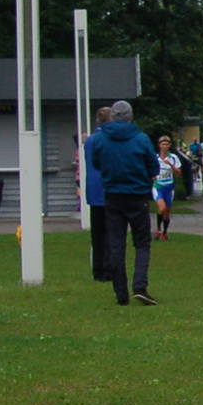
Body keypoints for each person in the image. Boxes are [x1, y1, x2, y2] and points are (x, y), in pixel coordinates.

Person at [87, 100, 160, 306]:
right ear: (130, 116)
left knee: (116, 244)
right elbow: (153, 167)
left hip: (112, 195)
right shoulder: (141, 139)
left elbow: (96, 163)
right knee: (142, 243)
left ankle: (120, 292)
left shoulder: (100, 138)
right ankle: (140, 285)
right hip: (137, 195)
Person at [85, 106, 112, 280]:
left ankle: (97, 269)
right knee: (110, 233)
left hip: (93, 190)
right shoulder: (107, 139)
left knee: (97, 233)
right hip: (108, 188)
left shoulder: (90, 140)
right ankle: (108, 268)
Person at [152, 135, 183, 240]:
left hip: (169, 186)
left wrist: (170, 165)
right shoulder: (155, 158)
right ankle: (158, 229)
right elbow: (150, 172)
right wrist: (153, 176)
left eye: (166, 144)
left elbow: (179, 173)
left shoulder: (173, 157)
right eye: (162, 144)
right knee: (162, 207)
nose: (164, 146)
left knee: (167, 212)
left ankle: (165, 232)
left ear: (169, 145)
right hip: (158, 186)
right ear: (159, 145)